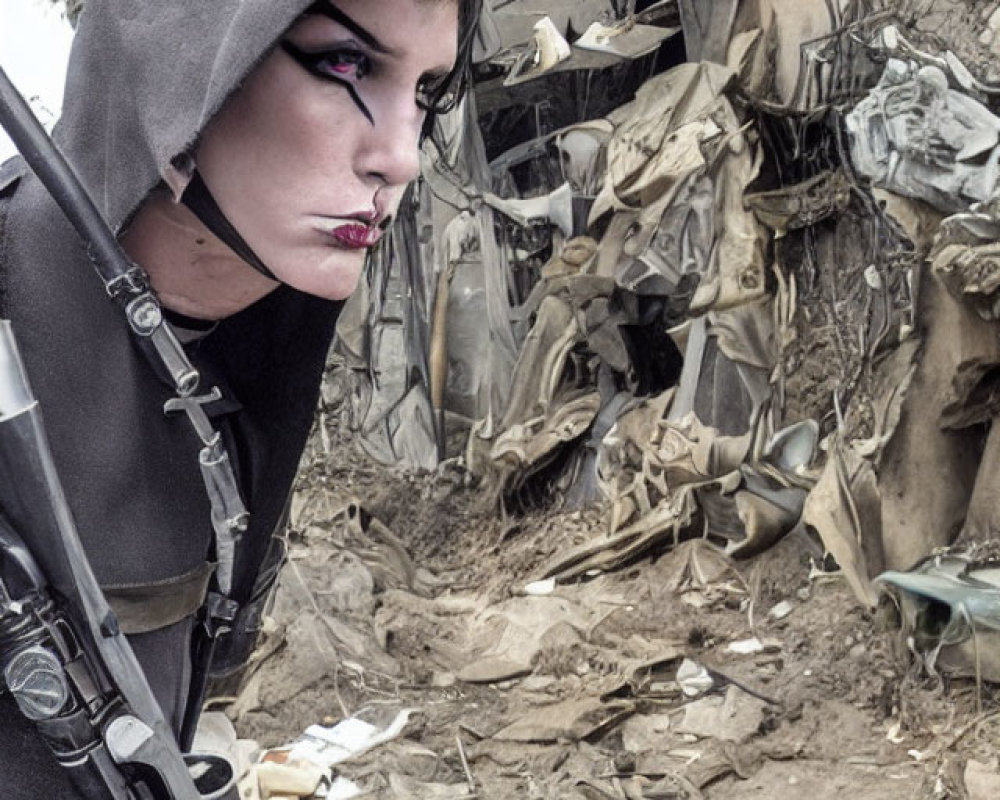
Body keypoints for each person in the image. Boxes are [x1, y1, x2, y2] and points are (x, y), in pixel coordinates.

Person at [0, 0, 475, 795]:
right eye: (345, 65)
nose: (402, 158)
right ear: (180, 58)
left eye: (426, 91)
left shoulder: (255, 345)